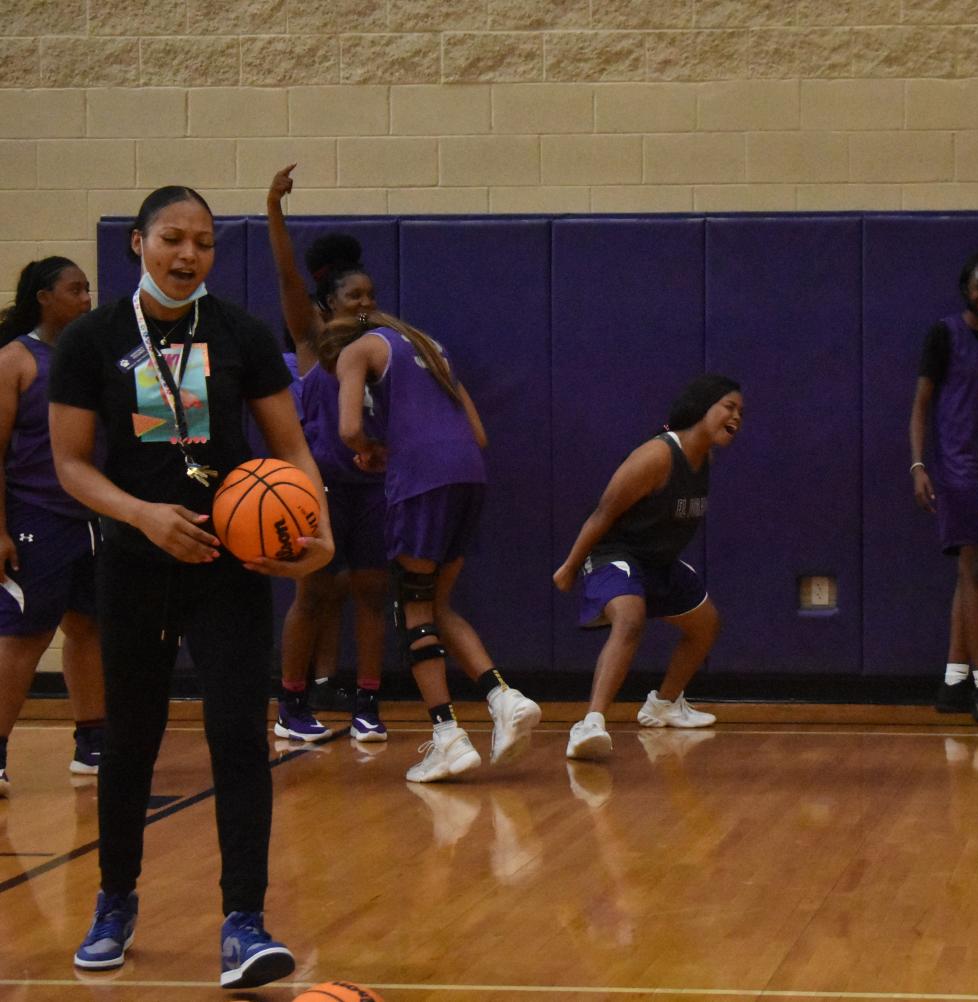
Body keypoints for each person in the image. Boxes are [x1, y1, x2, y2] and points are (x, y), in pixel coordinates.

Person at [52, 186, 332, 988]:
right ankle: (114, 899)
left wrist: (319, 530)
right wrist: (142, 514)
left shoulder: (239, 332)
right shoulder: (91, 339)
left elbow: (293, 449)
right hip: (136, 563)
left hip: (232, 567)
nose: (187, 255)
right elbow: (72, 464)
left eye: (203, 242)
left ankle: (244, 921)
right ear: (137, 242)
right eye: (172, 238)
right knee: (129, 739)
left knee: (239, 739)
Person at [317, 309, 541, 783]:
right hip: (468, 478)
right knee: (438, 604)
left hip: (421, 481)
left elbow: (348, 429)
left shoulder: (355, 352)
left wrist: (375, 451)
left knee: (412, 608)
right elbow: (478, 434)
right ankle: (505, 698)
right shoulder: (429, 349)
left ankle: (448, 737)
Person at [552, 375, 743, 762]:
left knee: (706, 625)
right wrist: (571, 565)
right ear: (702, 407)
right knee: (630, 618)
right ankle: (590, 724)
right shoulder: (656, 457)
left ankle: (665, 705)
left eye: (741, 411)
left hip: (657, 561)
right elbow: (603, 514)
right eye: (729, 406)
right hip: (614, 554)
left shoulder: (704, 456)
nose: (737, 416)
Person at [266, 165, 388, 744]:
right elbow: (289, 277)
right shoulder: (313, 345)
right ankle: (291, 704)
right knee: (313, 593)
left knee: (371, 592)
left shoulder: (383, 347)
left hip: (370, 489)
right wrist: (273, 210)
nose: (364, 303)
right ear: (328, 302)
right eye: (353, 295)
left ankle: (368, 702)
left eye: (370, 295)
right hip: (320, 488)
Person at [0, 258, 104, 795]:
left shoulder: (91, 358)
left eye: (88, 289)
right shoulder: (15, 359)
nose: (86, 298)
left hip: (92, 517)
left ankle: (92, 743)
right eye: (75, 289)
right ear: (44, 296)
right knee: (26, 635)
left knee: (88, 629)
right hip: (35, 516)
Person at [908, 249, 978, 725]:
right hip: (959, 470)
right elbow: (922, 404)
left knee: (971, 574)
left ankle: (952, 679)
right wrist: (917, 464)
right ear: (966, 289)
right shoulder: (945, 333)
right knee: (974, 572)